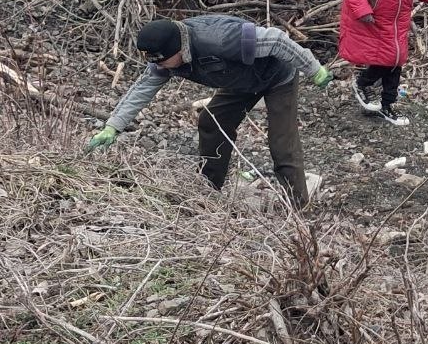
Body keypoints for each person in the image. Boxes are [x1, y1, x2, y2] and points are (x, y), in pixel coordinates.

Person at [84, 14, 333, 208]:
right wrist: (113, 126)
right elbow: (143, 88)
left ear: (178, 49)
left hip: (277, 76)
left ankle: (299, 206)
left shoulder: (221, 38)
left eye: (161, 60)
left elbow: (276, 39)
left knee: (281, 143)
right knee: (211, 122)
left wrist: (313, 68)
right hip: (239, 83)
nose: (158, 66)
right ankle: (208, 189)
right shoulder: (164, 60)